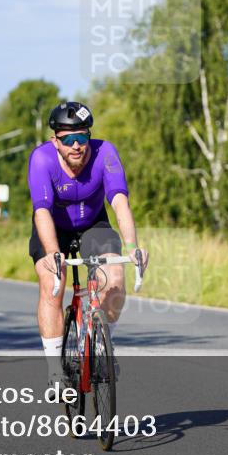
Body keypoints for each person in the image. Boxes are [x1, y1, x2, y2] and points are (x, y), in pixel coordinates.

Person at [27, 102, 147, 386]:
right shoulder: (41, 159)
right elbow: (41, 210)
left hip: (94, 223)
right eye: (69, 140)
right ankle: (55, 370)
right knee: (52, 282)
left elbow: (119, 202)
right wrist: (54, 253)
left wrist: (132, 248)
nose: (77, 146)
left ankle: (103, 347)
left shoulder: (105, 153)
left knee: (115, 278)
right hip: (53, 227)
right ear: (55, 141)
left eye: (83, 137)